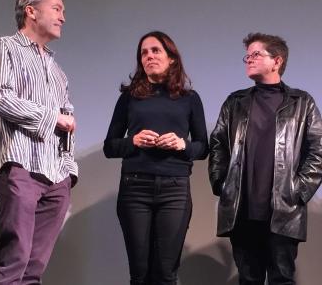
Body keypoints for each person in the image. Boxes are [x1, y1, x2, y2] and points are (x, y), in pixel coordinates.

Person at [0, 0, 78, 284]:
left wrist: (68, 173)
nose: (63, 17)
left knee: (33, 271)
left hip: (55, 176)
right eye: (57, 8)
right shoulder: (4, 47)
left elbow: (67, 124)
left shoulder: (58, 70)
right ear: (31, 11)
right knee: (14, 263)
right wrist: (53, 118)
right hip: (20, 165)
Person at [208, 32, 322, 285]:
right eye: (247, 55)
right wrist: (220, 183)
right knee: (249, 280)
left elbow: (318, 149)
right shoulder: (235, 102)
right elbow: (217, 144)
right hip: (242, 210)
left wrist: (298, 191)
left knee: (282, 279)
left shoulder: (302, 103)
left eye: (256, 54)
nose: (249, 59)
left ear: (277, 61)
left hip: (283, 210)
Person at [103, 31, 209, 285]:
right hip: (135, 188)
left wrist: (182, 144)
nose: (149, 56)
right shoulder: (129, 98)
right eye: (144, 53)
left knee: (165, 273)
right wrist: (133, 141)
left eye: (155, 50)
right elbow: (110, 147)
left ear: (171, 58)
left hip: (175, 189)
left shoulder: (189, 99)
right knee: (140, 274)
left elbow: (203, 147)